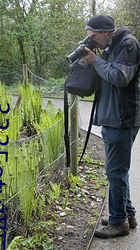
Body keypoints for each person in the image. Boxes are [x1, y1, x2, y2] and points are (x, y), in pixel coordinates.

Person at [82, 15, 140, 238]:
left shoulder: (128, 44)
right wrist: (92, 60)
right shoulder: (111, 46)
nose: (93, 41)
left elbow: (119, 77)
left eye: (94, 37)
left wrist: (95, 61)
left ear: (106, 32)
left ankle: (118, 223)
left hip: (122, 118)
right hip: (112, 117)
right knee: (117, 171)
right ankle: (127, 214)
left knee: (115, 171)